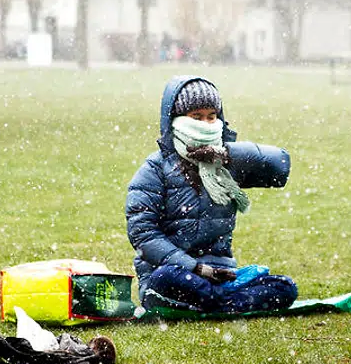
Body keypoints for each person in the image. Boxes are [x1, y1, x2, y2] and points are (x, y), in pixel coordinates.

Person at [126, 76, 298, 314]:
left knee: (285, 287)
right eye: (196, 117)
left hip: (221, 275)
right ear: (175, 119)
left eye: (211, 116)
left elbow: (279, 167)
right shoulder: (155, 169)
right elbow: (143, 234)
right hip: (173, 273)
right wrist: (195, 268)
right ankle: (229, 302)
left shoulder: (225, 163)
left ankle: (219, 301)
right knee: (165, 278)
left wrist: (227, 154)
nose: (206, 124)